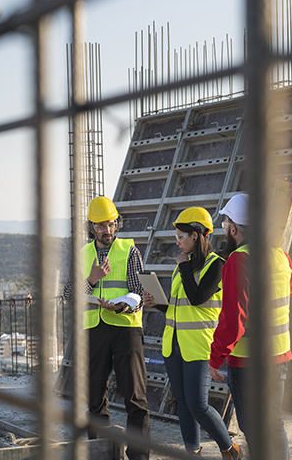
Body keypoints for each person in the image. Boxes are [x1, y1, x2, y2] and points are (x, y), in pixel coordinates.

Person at [143, 207, 243, 460]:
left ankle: (229, 448)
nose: (177, 242)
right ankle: (193, 453)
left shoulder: (217, 264)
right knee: (184, 403)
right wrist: (157, 303)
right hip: (173, 344)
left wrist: (184, 267)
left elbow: (198, 298)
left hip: (199, 345)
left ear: (196, 235)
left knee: (198, 405)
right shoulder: (183, 265)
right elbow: (180, 306)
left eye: (181, 237)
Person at [208, 194, 292, 460]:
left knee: (253, 427)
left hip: (248, 360)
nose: (225, 228)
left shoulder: (239, 260)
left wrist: (216, 358)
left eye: (226, 223)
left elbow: (233, 319)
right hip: (279, 354)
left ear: (233, 229)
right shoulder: (280, 256)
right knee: (274, 423)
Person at [62, 196, 150, 460]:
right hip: (93, 331)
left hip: (126, 329)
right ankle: (101, 453)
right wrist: (91, 279)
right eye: (101, 226)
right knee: (94, 398)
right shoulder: (82, 255)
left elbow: (139, 292)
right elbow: (68, 295)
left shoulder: (129, 251)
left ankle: (138, 456)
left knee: (135, 398)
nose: (107, 230)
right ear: (91, 227)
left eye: (111, 224)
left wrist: (124, 306)